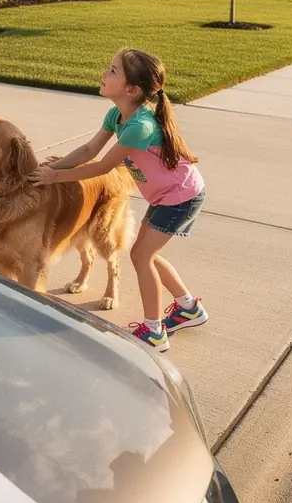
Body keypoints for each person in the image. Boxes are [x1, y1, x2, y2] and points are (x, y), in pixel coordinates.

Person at [30, 49, 206, 352]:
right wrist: (49, 169)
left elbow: (101, 167)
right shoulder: (117, 114)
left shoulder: (140, 126)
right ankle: (188, 308)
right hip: (169, 195)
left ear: (131, 90)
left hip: (180, 196)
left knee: (141, 257)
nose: (104, 73)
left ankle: (154, 332)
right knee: (144, 254)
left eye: (112, 71)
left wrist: (54, 179)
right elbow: (88, 151)